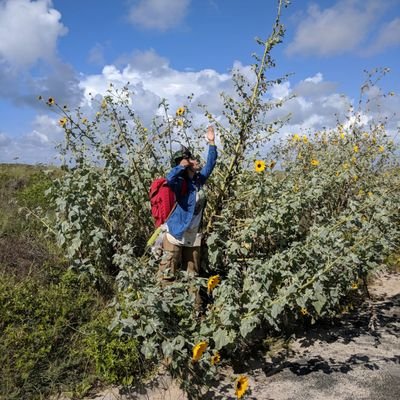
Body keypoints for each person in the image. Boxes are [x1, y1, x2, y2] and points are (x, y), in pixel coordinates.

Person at [158, 126, 218, 304]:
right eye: (192, 159)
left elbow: (211, 163)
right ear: (187, 164)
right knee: (167, 275)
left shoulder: (199, 180)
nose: (196, 160)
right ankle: (164, 311)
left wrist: (212, 142)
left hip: (193, 236)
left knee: (192, 277)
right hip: (176, 234)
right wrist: (180, 166)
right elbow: (169, 179)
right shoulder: (180, 183)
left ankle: (195, 312)